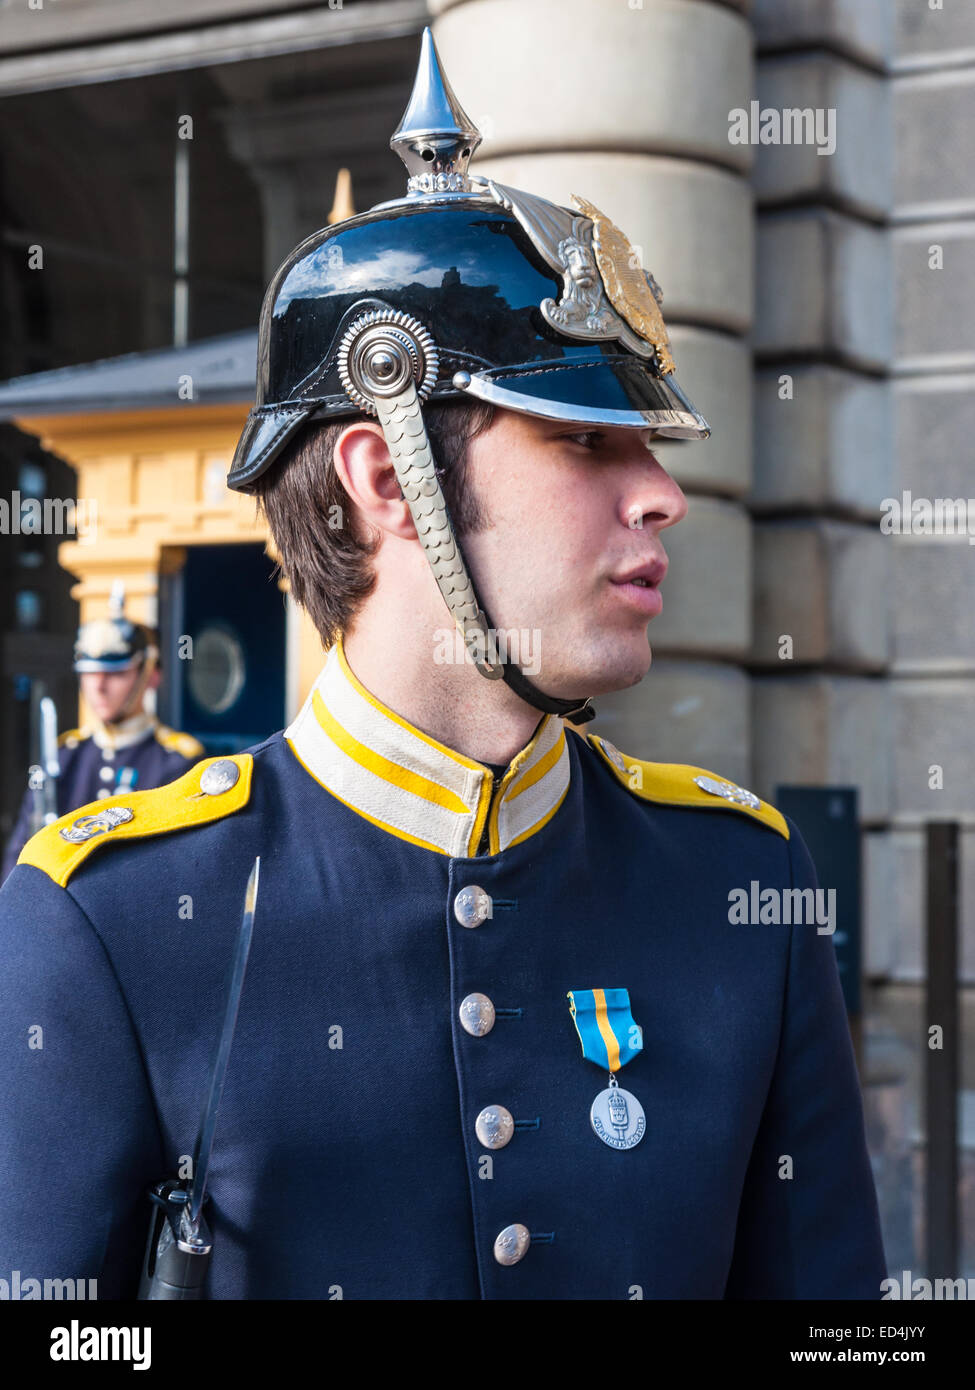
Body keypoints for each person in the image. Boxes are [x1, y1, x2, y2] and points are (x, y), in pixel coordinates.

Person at [0, 29, 885, 1299]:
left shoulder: (739, 883)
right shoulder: (105, 915)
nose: (663, 496)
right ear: (385, 478)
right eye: (588, 443)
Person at [1, 591, 204, 881]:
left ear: (150, 675)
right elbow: (19, 859)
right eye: (89, 672)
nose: (98, 686)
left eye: (116, 673)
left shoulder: (177, 761)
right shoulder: (65, 756)